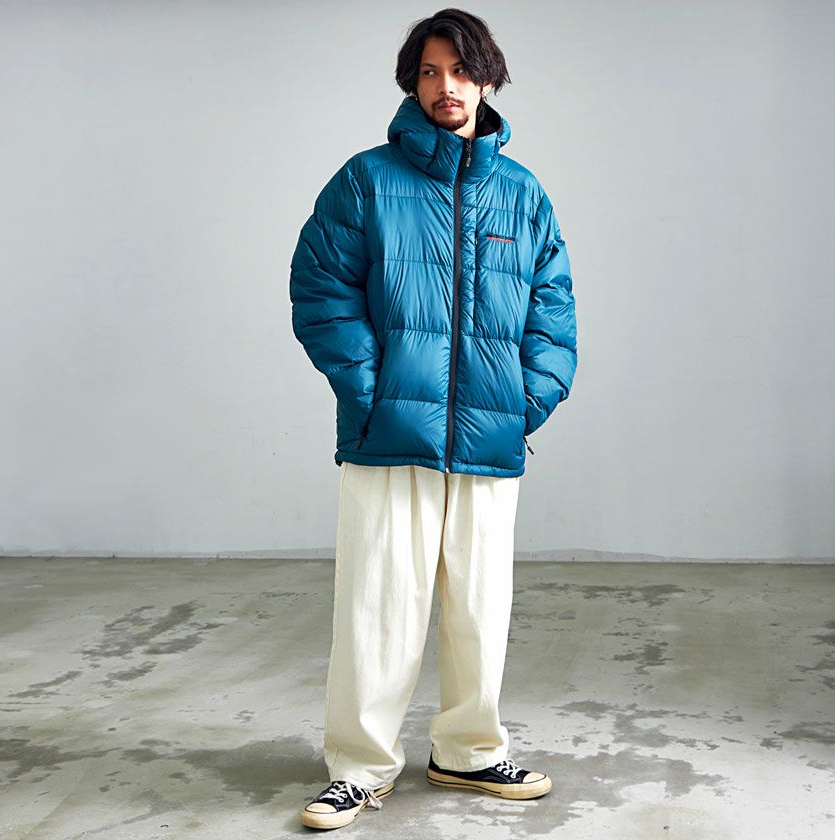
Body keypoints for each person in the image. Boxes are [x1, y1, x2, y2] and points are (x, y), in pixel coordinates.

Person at [289, 7, 577, 831]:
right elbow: (320, 288)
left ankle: (469, 752)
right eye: (428, 71)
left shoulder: (523, 194)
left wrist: (526, 400)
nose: (445, 86)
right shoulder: (366, 181)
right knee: (378, 606)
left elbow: (553, 311)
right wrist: (372, 390)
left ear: (487, 78)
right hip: (389, 435)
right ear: (411, 84)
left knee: (481, 605)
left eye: (459, 69)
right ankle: (359, 768)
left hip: (491, 434)